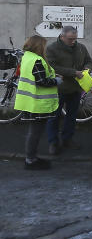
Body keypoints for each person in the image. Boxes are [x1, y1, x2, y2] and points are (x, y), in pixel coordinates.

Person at [44, 25, 92, 155]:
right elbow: (52, 67)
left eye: (75, 39)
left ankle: (67, 139)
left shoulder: (81, 48)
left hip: (75, 89)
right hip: (58, 89)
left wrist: (87, 69)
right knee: (54, 117)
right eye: (70, 39)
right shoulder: (52, 49)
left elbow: (89, 61)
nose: (73, 42)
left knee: (71, 116)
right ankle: (53, 142)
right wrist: (73, 72)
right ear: (62, 36)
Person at [15, 35, 62, 169]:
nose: (45, 48)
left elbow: (37, 77)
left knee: (34, 132)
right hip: (38, 103)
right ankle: (30, 160)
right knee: (35, 132)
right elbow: (42, 82)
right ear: (39, 46)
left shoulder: (27, 57)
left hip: (31, 101)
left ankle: (32, 157)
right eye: (44, 45)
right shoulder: (37, 60)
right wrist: (57, 81)